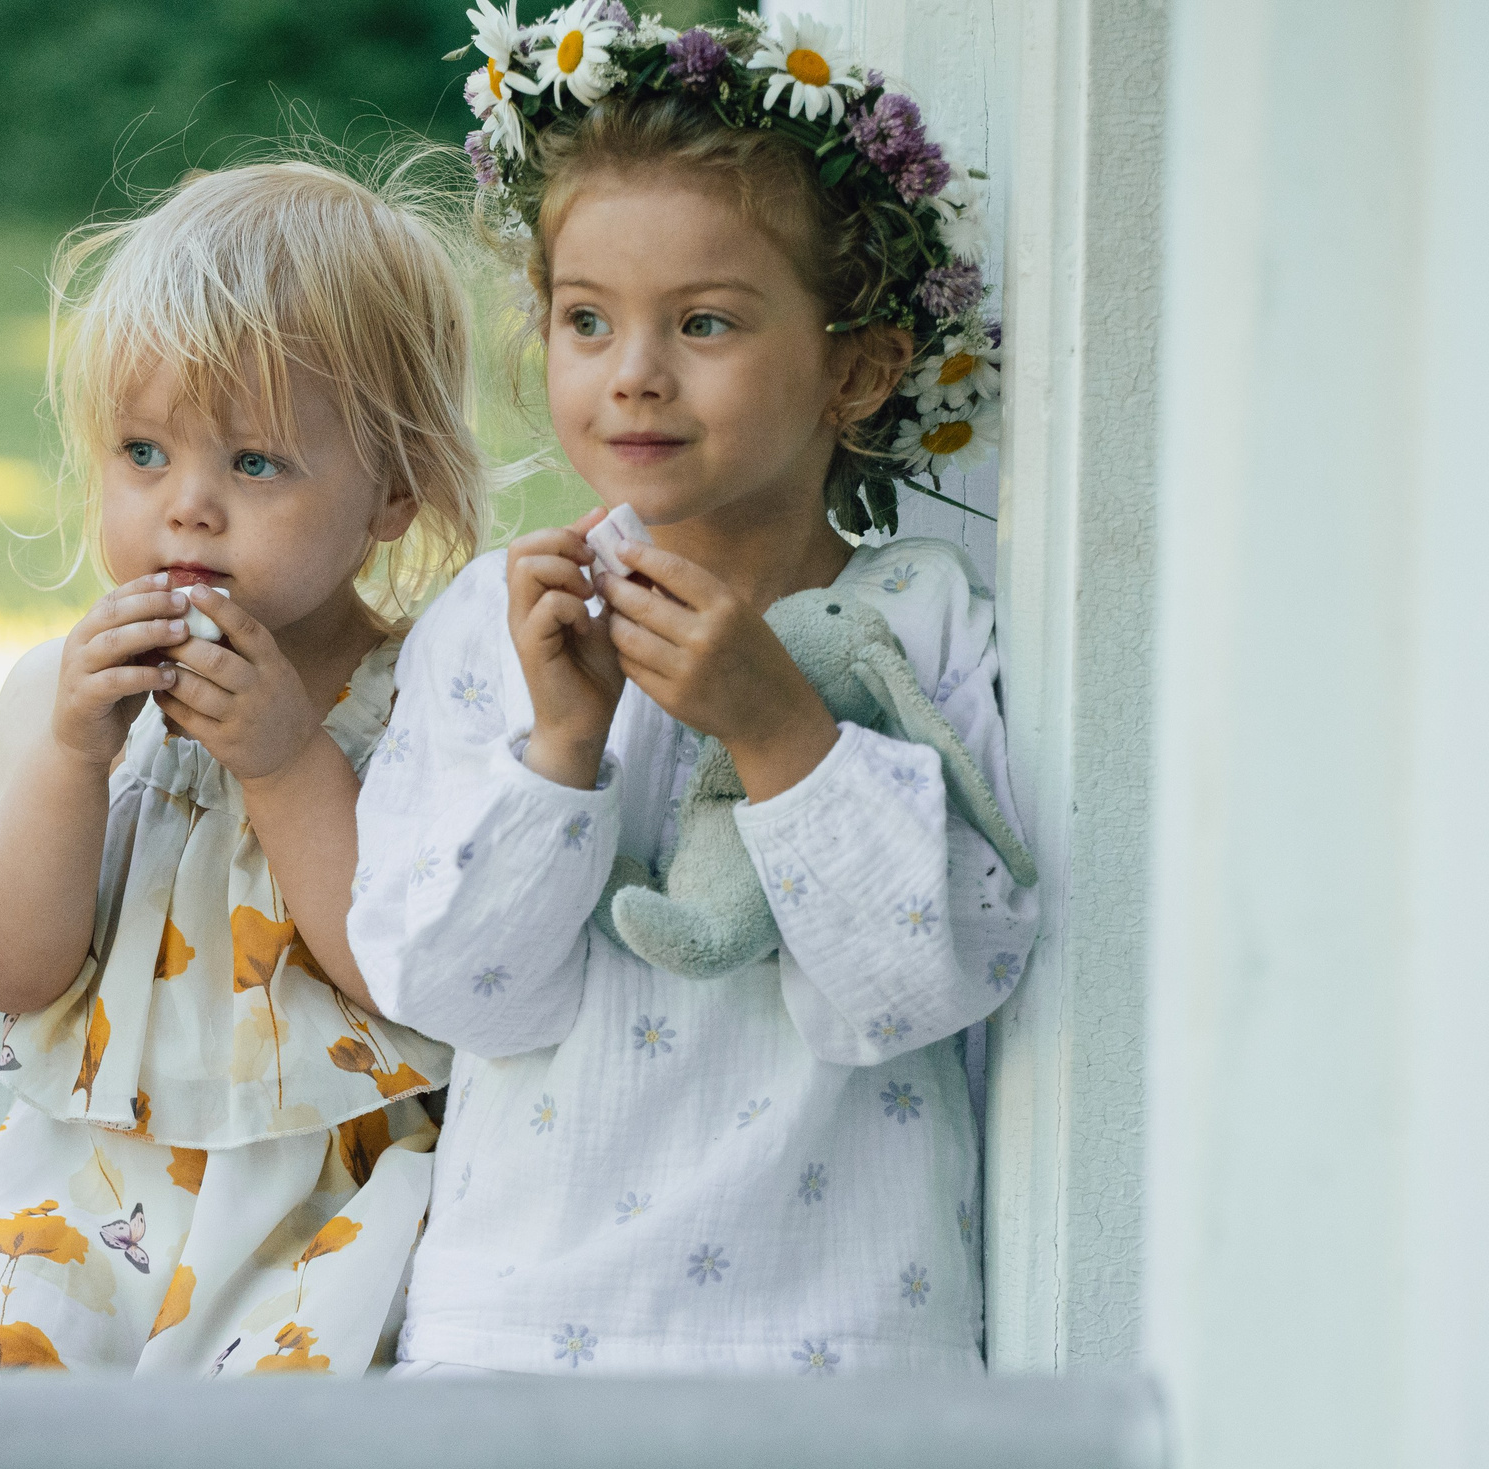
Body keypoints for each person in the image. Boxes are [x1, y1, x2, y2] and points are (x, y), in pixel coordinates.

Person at [347, 9, 1033, 1377]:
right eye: (587, 319)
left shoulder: (924, 623)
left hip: (833, 1339)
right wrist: (561, 747)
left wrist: (781, 729)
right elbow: (451, 992)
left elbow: (918, 985)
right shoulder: (502, 620)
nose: (634, 372)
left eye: (704, 321)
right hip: (514, 1335)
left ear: (856, 368)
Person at [0, 156, 489, 1375]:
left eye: (254, 464)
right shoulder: (56, 702)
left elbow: (408, 975)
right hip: (88, 1184)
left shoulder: (429, 696)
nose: (188, 508)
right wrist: (69, 758)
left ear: (393, 491)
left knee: (284, 1447)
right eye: (143, 453)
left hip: (338, 1196)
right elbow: (7, 970)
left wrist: (284, 760)